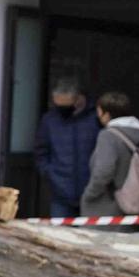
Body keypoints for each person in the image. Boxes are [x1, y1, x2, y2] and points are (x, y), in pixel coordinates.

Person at [82, 91, 139, 217]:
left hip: (108, 208)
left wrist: (89, 194)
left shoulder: (108, 136)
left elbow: (104, 171)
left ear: (105, 114)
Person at [34, 76, 100, 220]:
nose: (61, 111)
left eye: (65, 107)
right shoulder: (50, 120)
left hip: (92, 192)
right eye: (58, 106)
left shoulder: (96, 118)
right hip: (60, 193)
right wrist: (49, 173)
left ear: (79, 99)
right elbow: (41, 151)